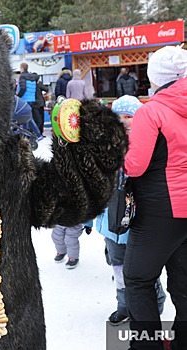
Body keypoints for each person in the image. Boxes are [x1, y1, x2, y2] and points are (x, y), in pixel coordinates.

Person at [123, 45, 187, 350]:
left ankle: (145, 345)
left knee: (137, 277)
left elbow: (135, 164)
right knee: (184, 280)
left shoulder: (152, 111)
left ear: (155, 77)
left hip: (161, 208)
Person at [94, 95, 166, 326]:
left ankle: (155, 300)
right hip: (111, 224)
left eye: (129, 117)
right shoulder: (103, 146)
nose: (124, 122)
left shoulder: (150, 144)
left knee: (143, 269)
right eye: (119, 117)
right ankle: (124, 306)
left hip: (140, 221)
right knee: (119, 268)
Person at [16, 63, 44, 141]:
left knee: (28, 118)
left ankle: (37, 135)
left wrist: (18, 96)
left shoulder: (22, 77)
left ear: (22, 68)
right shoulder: (33, 77)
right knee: (26, 118)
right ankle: (26, 136)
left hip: (24, 100)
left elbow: (23, 88)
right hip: (32, 100)